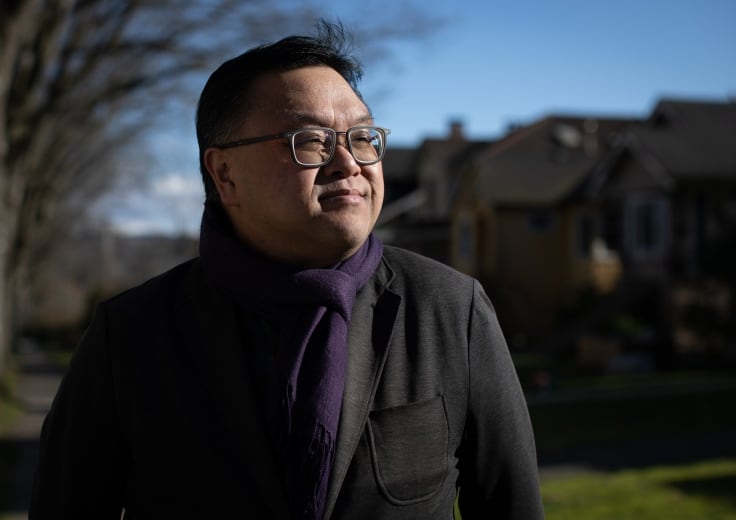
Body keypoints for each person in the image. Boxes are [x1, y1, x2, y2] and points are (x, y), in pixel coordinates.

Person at [30, 21, 544, 520]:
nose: (348, 162)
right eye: (312, 139)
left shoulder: (451, 311)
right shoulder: (132, 335)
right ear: (224, 173)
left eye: (363, 136)